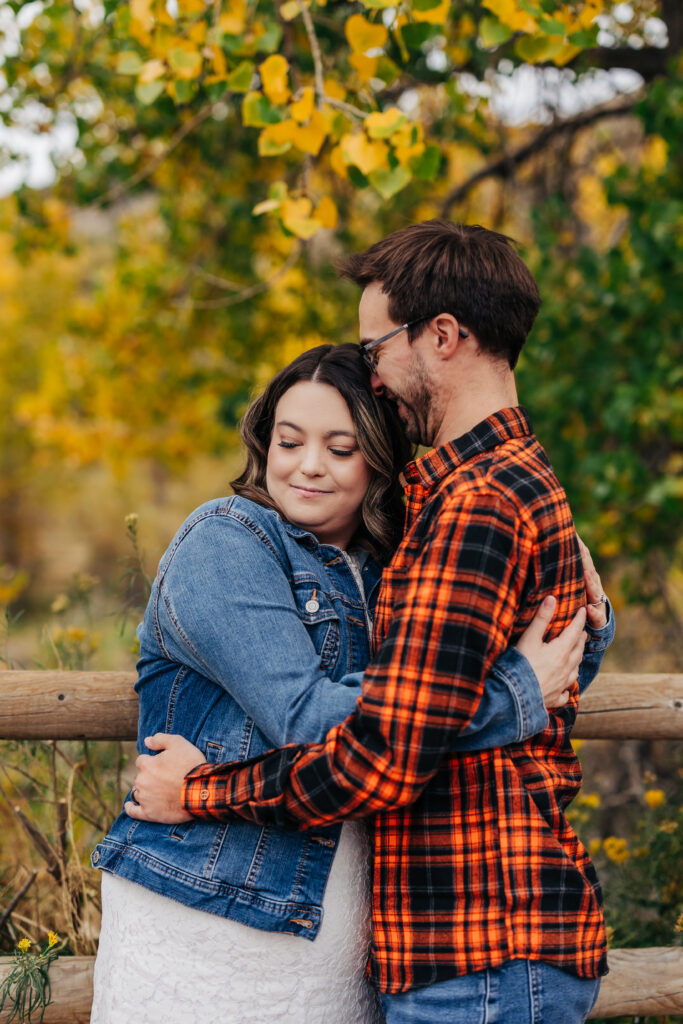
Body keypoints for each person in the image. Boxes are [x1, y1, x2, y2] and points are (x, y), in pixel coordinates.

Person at [127, 223, 614, 1024]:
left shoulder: (475, 506)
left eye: (376, 344)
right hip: (462, 942)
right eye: (289, 440)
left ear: (443, 338)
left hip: (479, 940)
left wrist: (202, 791)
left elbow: (383, 756)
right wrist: (536, 677)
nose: (372, 368)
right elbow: (546, 661)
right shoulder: (491, 491)